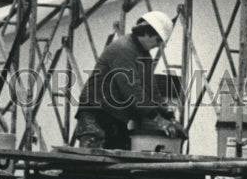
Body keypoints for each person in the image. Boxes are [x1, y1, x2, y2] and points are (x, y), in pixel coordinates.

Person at [73, 10, 184, 150]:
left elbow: (152, 91)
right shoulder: (123, 49)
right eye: (158, 40)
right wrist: (157, 119)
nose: (158, 45)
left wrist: (170, 117)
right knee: (92, 160)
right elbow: (132, 90)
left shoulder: (144, 56)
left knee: (119, 158)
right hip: (96, 113)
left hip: (116, 116)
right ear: (147, 33)